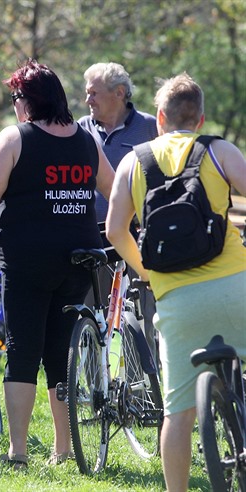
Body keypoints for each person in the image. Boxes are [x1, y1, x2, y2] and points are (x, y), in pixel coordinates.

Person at [0, 60, 114, 469]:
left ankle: (18, 452)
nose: (14, 106)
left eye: (16, 98)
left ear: (28, 100)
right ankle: (63, 449)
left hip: (28, 259)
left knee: (22, 352)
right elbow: (114, 186)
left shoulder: (15, 138)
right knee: (59, 353)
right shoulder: (87, 140)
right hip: (78, 258)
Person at [106, 73, 246, 492]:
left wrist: (148, 272)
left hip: (176, 299)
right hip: (235, 285)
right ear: (200, 119)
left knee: (178, 413)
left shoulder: (134, 160)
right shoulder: (219, 150)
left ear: (160, 117)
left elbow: (116, 230)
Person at [78, 62, 159, 354]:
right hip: (92, 236)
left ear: (120, 93)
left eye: (93, 94)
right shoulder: (80, 130)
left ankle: (145, 394)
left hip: (137, 235)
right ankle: (92, 390)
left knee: (142, 316)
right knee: (88, 316)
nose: (88, 101)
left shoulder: (150, 127)